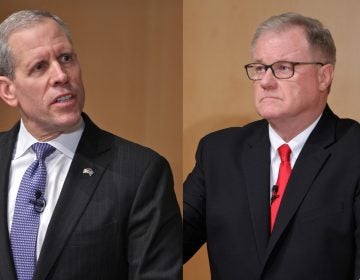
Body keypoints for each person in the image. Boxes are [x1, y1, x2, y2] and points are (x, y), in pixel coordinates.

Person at [0, 10, 182, 280]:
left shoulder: (141, 173)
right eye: (39, 67)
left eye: (66, 58)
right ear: (8, 91)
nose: (61, 76)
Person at [183, 12, 360, 279]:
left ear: (324, 76)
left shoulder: (353, 151)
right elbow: (161, 247)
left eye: (283, 68)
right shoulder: (217, 153)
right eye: (259, 68)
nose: (265, 82)